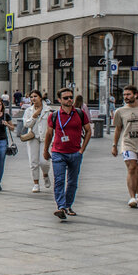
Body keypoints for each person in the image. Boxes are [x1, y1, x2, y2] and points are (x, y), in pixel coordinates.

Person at [44, 86, 92, 220]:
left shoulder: (80, 114)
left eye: (71, 97)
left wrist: (82, 149)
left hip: (75, 153)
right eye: (66, 98)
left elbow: (88, 131)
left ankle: (68, 205)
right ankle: (61, 207)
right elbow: (49, 134)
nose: (70, 100)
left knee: (72, 182)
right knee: (59, 180)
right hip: (58, 152)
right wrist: (45, 150)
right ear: (59, 100)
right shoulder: (54, 116)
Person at [21, 90, 51, 192]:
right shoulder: (29, 110)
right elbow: (26, 124)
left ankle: (45, 174)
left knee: (44, 162)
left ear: (40, 98)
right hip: (32, 137)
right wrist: (34, 116)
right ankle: (36, 183)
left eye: (35, 96)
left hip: (44, 137)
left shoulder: (48, 110)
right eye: (31, 97)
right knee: (33, 162)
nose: (33, 99)